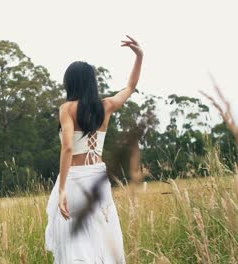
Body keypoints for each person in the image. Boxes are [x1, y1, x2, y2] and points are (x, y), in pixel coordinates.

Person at [45, 35, 143, 263]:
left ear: (70, 83)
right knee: (101, 236)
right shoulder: (106, 106)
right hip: (98, 177)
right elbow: (130, 87)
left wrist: (61, 190)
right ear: (92, 83)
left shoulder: (67, 108)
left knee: (73, 241)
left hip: (75, 179)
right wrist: (140, 56)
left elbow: (68, 148)